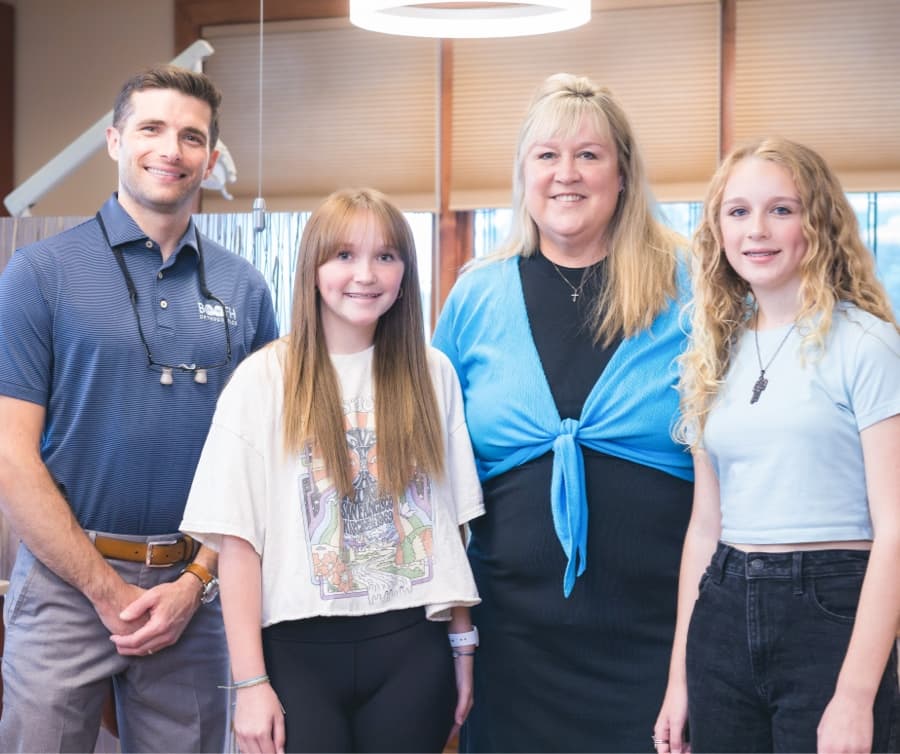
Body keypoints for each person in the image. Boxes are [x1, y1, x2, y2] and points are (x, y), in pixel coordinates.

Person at [0, 65, 278, 752]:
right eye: (151, 128)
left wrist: (195, 581)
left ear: (211, 161)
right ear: (114, 140)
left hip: (194, 595)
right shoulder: (41, 274)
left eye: (191, 137)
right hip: (68, 585)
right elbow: (10, 453)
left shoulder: (245, 288)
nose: (171, 149)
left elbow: (261, 459)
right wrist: (102, 588)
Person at [432, 73, 694, 753]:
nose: (566, 174)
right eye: (547, 155)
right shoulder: (475, 295)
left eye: (589, 154)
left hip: (660, 639)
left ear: (623, 172)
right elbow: (428, 464)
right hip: (513, 641)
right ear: (524, 173)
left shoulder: (690, 282)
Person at [180, 187, 484, 754]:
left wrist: (462, 645)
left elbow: (447, 526)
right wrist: (250, 684)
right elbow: (239, 543)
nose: (365, 275)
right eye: (343, 255)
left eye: (386, 256)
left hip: (412, 648)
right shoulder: (264, 378)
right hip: (296, 655)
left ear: (404, 270)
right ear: (313, 267)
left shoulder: (432, 372)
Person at [653, 137, 900, 754]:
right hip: (723, 609)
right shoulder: (713, 354)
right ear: (716, 229)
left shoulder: (867, 346)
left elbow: (896, 529)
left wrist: (855, 694)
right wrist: (679, 676)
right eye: (737, 212)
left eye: (781, 210)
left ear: (817, 223)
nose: (756, 230)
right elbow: (704, 529)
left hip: (831, 610)